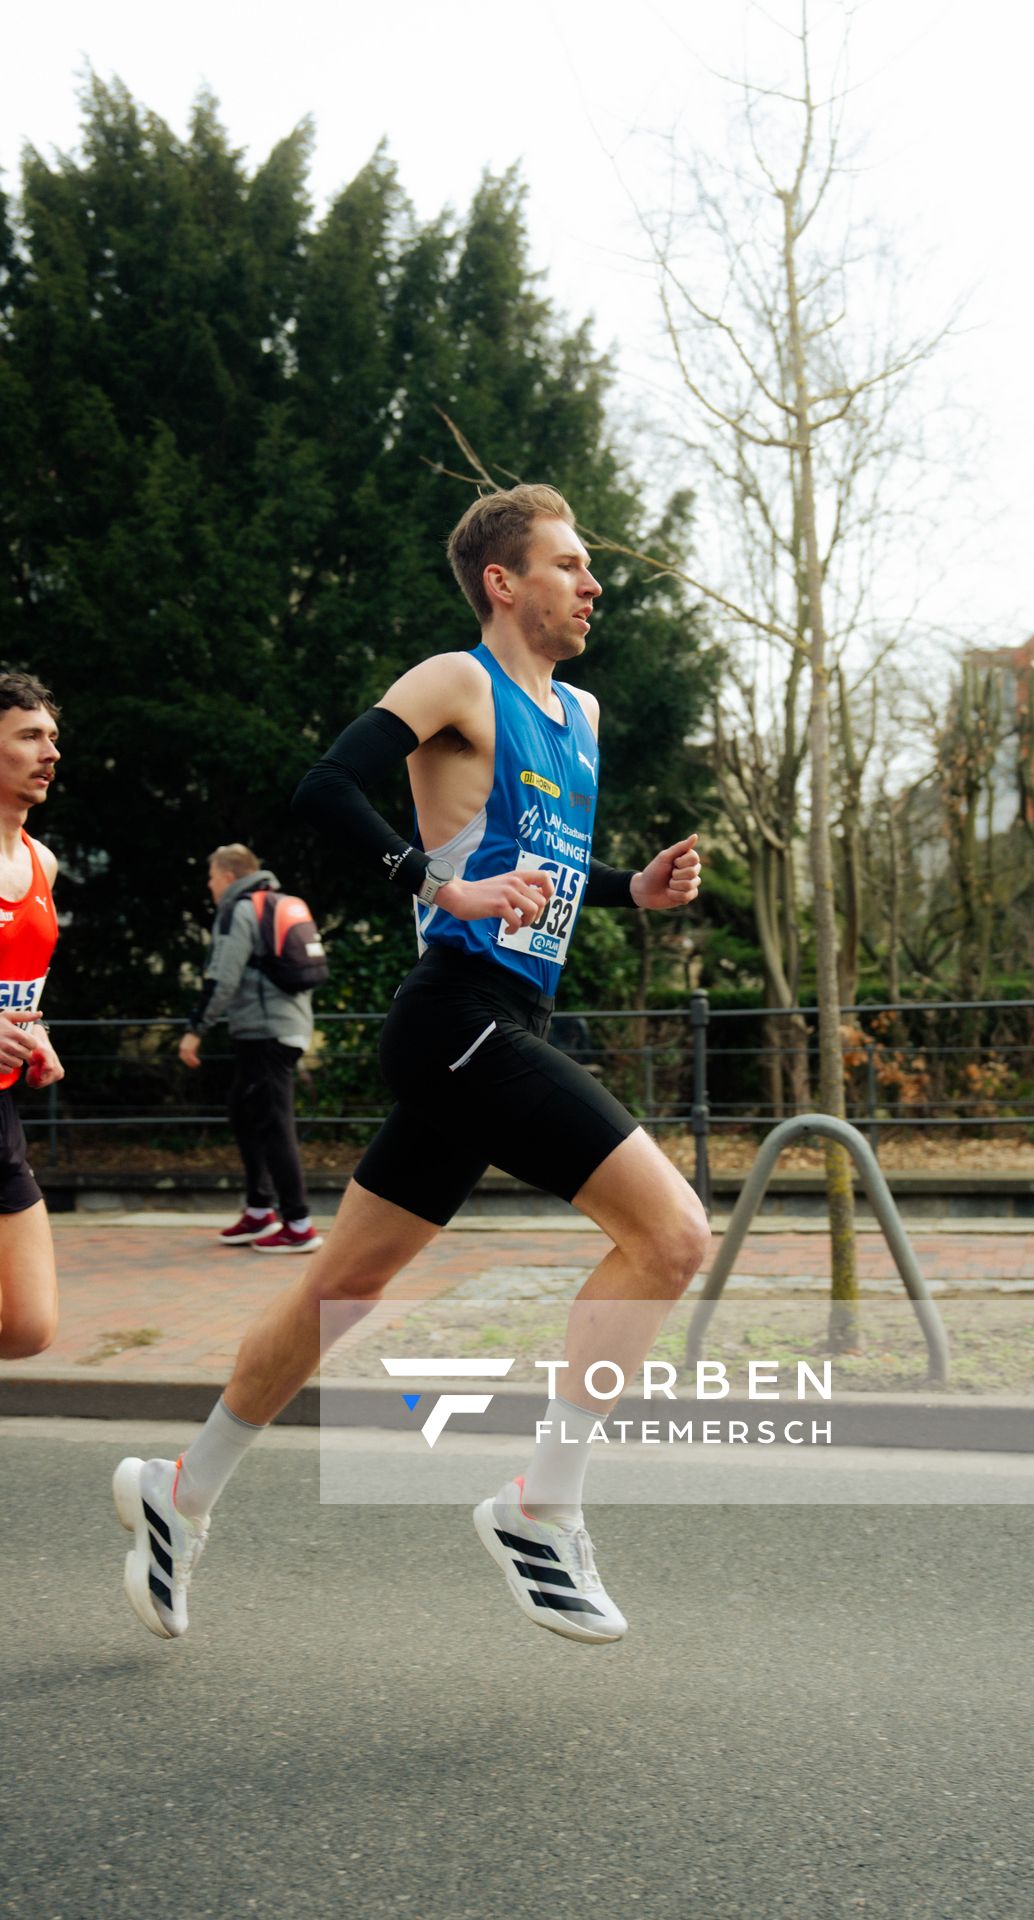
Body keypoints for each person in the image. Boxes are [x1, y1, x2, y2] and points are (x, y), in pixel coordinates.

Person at [114, 484, 708, 1644]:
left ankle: (176, 1494)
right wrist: (440, 885)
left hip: (507, 1020)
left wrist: (628, 891)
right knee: (672, 1236)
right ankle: (540, 1508)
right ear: (503, 581)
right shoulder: (457, 682)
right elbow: (323, 788)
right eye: (570, 564)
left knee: (343, 1288)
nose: (593, 585)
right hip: (457, 1017)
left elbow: (541, 861)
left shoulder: (580, 713)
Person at [179, 845, 321, 1255]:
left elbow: (222, 976)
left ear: (226, 876)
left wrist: (195, 1030)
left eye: (210, 876)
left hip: (265, 1033)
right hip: (285, 1028)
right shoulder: (276, 903)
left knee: (274, 1123)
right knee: (243, 1111)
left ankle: (299, 1223)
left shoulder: (239, 910)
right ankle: (260, 1210)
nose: (208, 885)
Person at [0, 671, 66, 1360]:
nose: (50, 752)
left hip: (1, 1114)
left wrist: (34, 1031)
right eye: (28, 736)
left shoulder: (41, 861)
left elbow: (19, 988)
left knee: (29, 1326)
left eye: (52, 737)